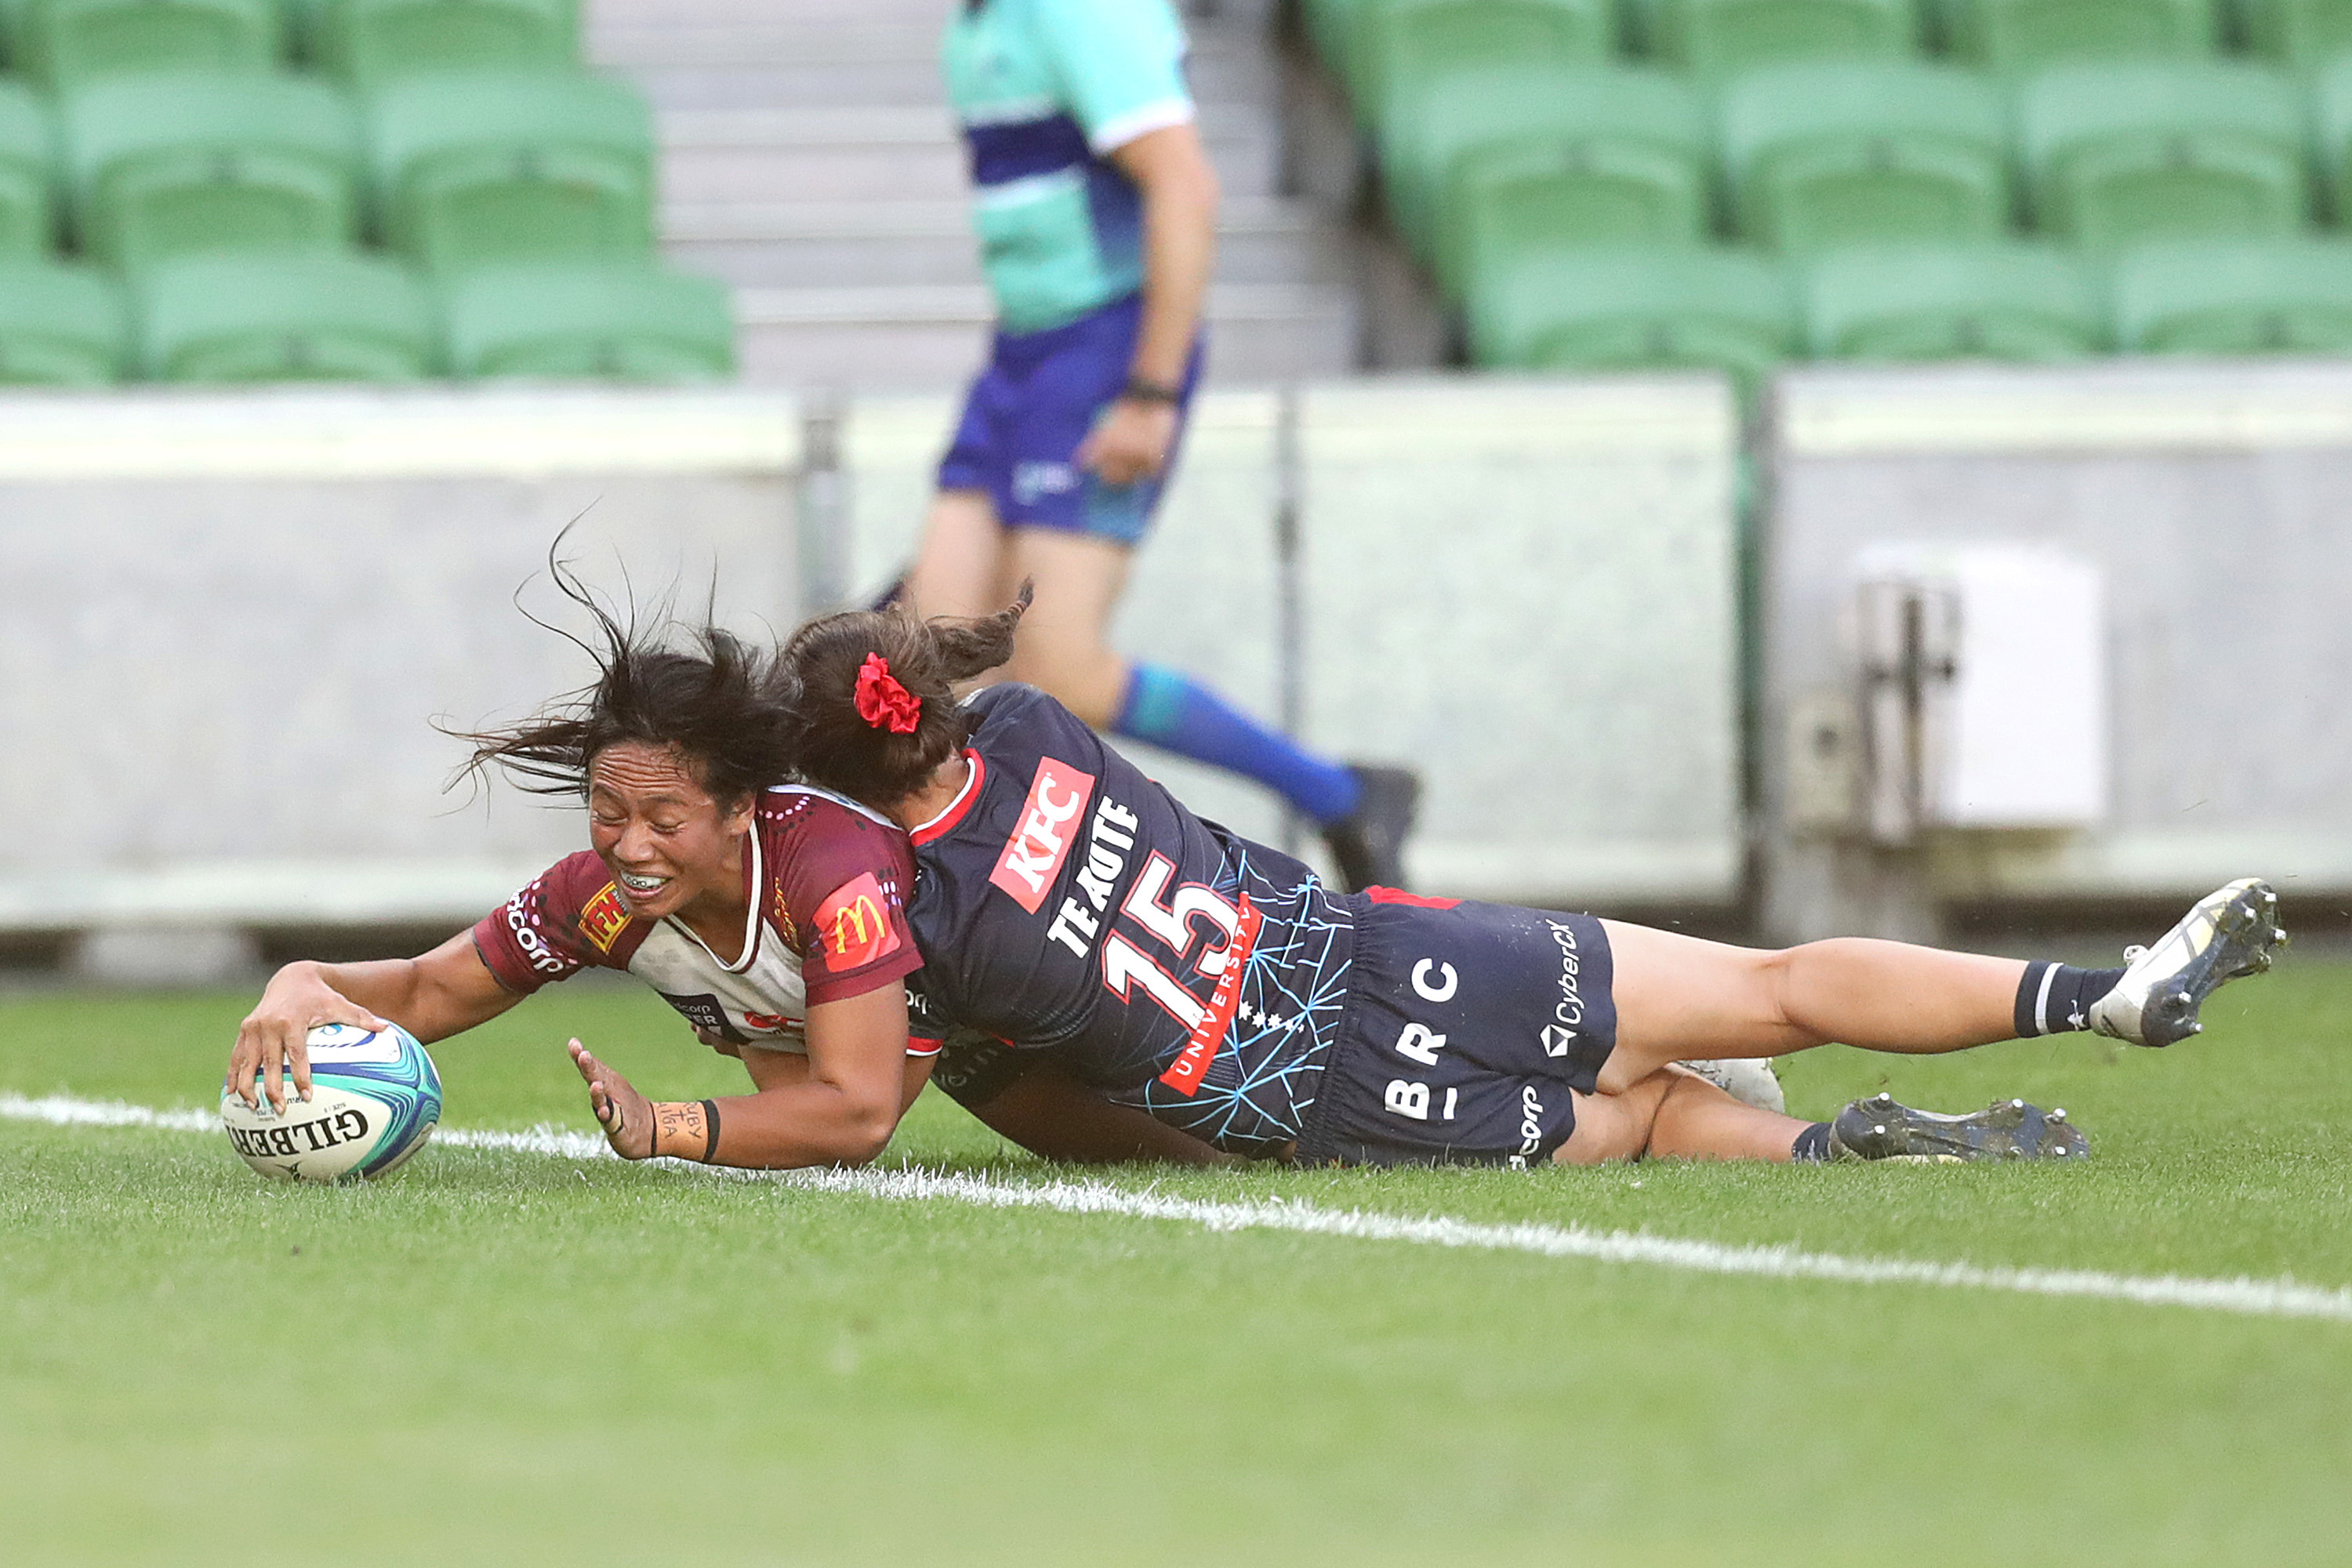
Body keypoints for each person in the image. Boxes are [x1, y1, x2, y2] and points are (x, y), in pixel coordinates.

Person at [775, 597, 2289, 1169]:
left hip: (1330, 1097)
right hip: (1399, 944)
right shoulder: (1042, 727)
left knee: (1645, 1135)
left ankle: (1843, 1156)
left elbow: (985, 1086)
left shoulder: (931, 931)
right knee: (1764, 988)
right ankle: (2103, 993)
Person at [909, 0, 1418, 892]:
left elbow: (1185, 185)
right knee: (920, 659)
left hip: (1104, 351)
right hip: (1021, 356)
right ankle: (953, 917)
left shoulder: (1079, 12)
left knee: (1059, 666)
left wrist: (1148, 389)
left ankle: (1335, 798)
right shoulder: (975, 27)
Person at [224, 601, 951, 1171]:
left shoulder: (828, 875)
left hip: (1027, 1013)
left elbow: (859, 1115)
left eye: (665, 820)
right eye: (606, 813)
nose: (630, 847)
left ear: (740, 810)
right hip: (957, 1050)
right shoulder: (595, 898)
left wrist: (664, 1125)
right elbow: (427, 991)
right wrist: (304, 981)